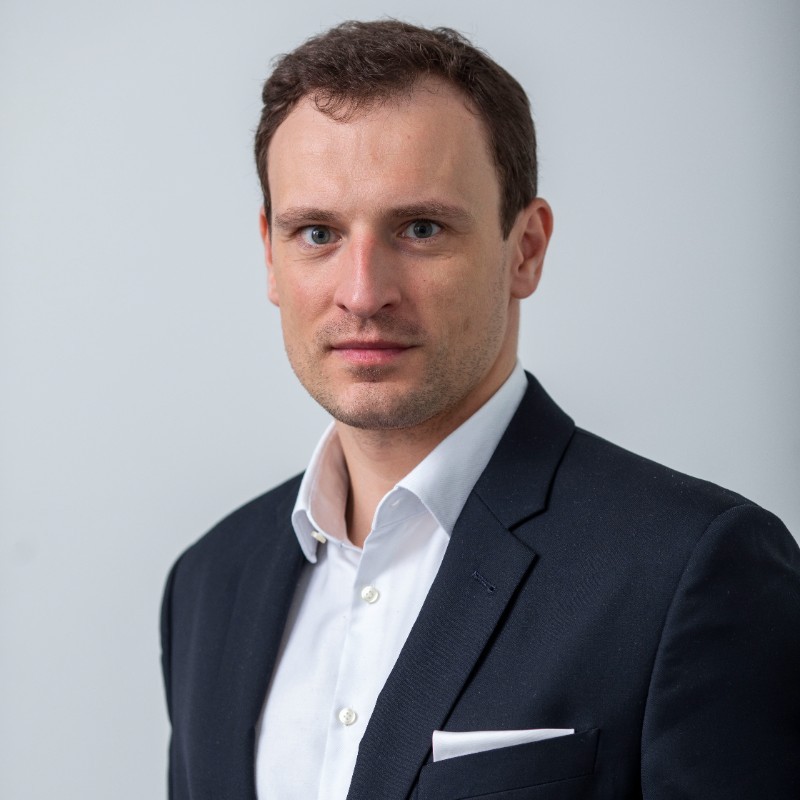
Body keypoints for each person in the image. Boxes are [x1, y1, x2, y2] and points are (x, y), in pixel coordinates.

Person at [160, 19, 800, 800]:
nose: (363, 293)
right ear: (270, 254)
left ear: (525, 249)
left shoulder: (690, 569)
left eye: (420, 228)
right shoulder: (208, 582)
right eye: (318, 232)